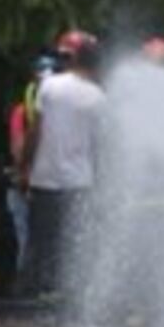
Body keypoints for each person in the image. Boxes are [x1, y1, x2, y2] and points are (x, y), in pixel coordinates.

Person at [19, 30, 106, 297]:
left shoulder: (50, 86)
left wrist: (25, 164)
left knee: (42, 240)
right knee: (72, 241)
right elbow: (99, 145)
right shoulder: (98, 97)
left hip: (45, 176)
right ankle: (68, 292)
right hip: (80, 180)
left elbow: (36, 130)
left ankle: (39, 291)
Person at [5, 50, 56, 280]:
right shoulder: (23, 111)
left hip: (52, 180)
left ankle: (44, 285)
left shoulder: (62, 106)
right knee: (27, 237)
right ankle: (27, 286)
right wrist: (25, 171)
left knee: (49, 238)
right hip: (28, 182)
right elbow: (17, 145)